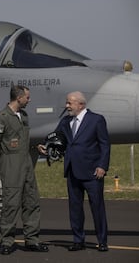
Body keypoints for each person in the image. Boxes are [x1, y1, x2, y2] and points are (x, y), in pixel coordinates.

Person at [38, 91, 110, 252]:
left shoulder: (96, 120)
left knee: (97, 207)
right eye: (67, 103)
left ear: (81, 104)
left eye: (70, 103)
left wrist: (102, 166)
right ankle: (78, 240)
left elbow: (105, 145)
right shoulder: (65, 121)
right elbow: (55, 137)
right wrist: (44, 145)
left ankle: (102, 241)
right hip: (72, 171)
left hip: (93, 172)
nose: (67, 106)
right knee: (75, 209)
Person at [0, 85, 48, 255]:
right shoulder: (1, 118)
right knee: (11, 204)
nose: (29, 100)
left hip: (27, 164)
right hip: (11, 164)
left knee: (31, 202)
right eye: (27, 97)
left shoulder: (24, 116)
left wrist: (35, 146)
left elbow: (22, 139)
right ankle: (7, 242)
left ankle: (32, 240)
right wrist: (7, 160)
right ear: (19, 98)